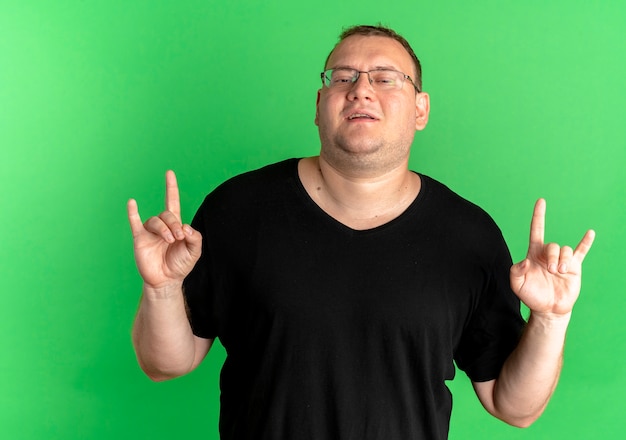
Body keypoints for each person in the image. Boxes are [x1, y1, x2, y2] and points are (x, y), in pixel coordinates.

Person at [128, 25, 595, 439]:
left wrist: (551, 321)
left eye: (386, 78)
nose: (361, 90)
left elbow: (514, 408)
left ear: (420, 108)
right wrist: (162, 288)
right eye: (343, 77)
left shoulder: (469, 237)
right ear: (319, 104)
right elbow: (165, 363)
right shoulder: (237, 210)